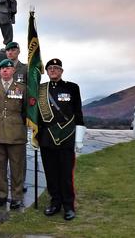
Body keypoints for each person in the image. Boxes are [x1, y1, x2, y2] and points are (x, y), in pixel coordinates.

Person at [38, 58, 84, 221]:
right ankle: (55, 202)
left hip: (66, 136)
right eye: (50, 68)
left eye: (56, 68)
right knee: (51, 173)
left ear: (61, 71)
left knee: (65, 174)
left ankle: (68, 206)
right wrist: (34, 136)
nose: (53, 70)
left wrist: (79, 139)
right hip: (47, 137)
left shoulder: (72, 87)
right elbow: (37, 116)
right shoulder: (41, 89)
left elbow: (78, 113)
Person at [0, 59, 26, 209]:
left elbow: (25, 111)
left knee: (16, 167)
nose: (4, 71)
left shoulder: (22, 88)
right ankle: (1, 194)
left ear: (13, 71)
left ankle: (16, 196)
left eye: (8, 68)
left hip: (16, 133)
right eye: (2, 68)